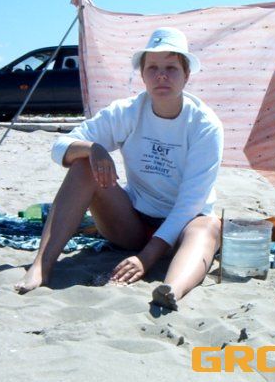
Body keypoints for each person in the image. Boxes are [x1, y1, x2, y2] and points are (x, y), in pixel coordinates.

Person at [14, 27, 224, 310]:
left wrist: (146, 259)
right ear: (143, 75)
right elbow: (59, 147)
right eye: (153, 68)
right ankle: (42, 266)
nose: (161, 75)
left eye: (171, 68)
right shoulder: (126, 111)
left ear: (186, 75)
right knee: (83, 165)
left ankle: (171, 289)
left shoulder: (204, 124)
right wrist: (92, 148)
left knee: (209, 225)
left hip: (184, 229)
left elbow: (190, 203)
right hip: (133, 225)